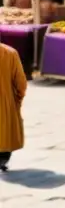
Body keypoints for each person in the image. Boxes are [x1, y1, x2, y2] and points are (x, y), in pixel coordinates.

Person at [0, 42, 28, 172]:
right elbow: (20, 83)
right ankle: (3, 160)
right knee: (6, 135)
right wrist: (16, 101)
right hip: (6, 105)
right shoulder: (10, 53)